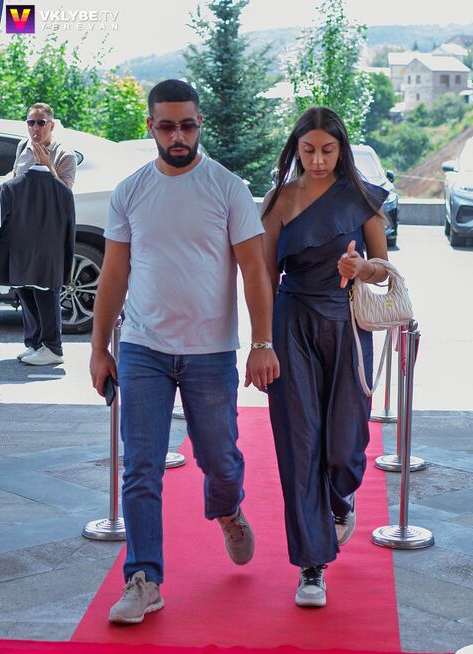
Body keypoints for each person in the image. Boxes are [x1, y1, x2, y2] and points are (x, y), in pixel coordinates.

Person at [90, 79, 279, 625]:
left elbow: (254, 270)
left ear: (200, 125)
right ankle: (144, 578)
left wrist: (262, 343)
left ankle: (227, 506)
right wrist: (99, 347)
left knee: (219, 458)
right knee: (140, 466)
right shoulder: (130, 191)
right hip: (142, 347)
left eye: (188, 125)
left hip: (209, 351)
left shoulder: (227, 188)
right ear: (150, 126)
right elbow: (114, 273)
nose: (179, 136)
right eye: (168, 126)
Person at [261, 106, 389, 608]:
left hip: (346, 325)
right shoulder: (279, 200)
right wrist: (261, 342)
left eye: (327, 150)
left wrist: (362, 268)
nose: (317, 160)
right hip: (291, 323)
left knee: (344, 445)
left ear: (342, 150)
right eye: (308, 150)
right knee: (299, 445)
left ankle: (340, 499)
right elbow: (263, 276)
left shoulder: (360, 197)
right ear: (295, 149)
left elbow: (384, 269)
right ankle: (311, 567)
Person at [12, 103, 77, 365]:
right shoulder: (22, 147)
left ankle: (53, 348)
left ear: (51, 124)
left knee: (45, 287)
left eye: (41, 122)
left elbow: (65, 193)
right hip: (21, 228)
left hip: (48, 230)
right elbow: (16, 179)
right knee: (22, 285)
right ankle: (36, 343)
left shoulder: (64, 154)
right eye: (31, 122)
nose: (35, 128)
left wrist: (48, 166)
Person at [0, 166, 75, 351]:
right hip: (50, 255)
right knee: (36, 296)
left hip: (19, 255)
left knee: (40, 297)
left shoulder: (9, 188)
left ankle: (51, 347)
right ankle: (37, 344)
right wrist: (66, 264)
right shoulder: (64, 192)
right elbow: (70, 230)